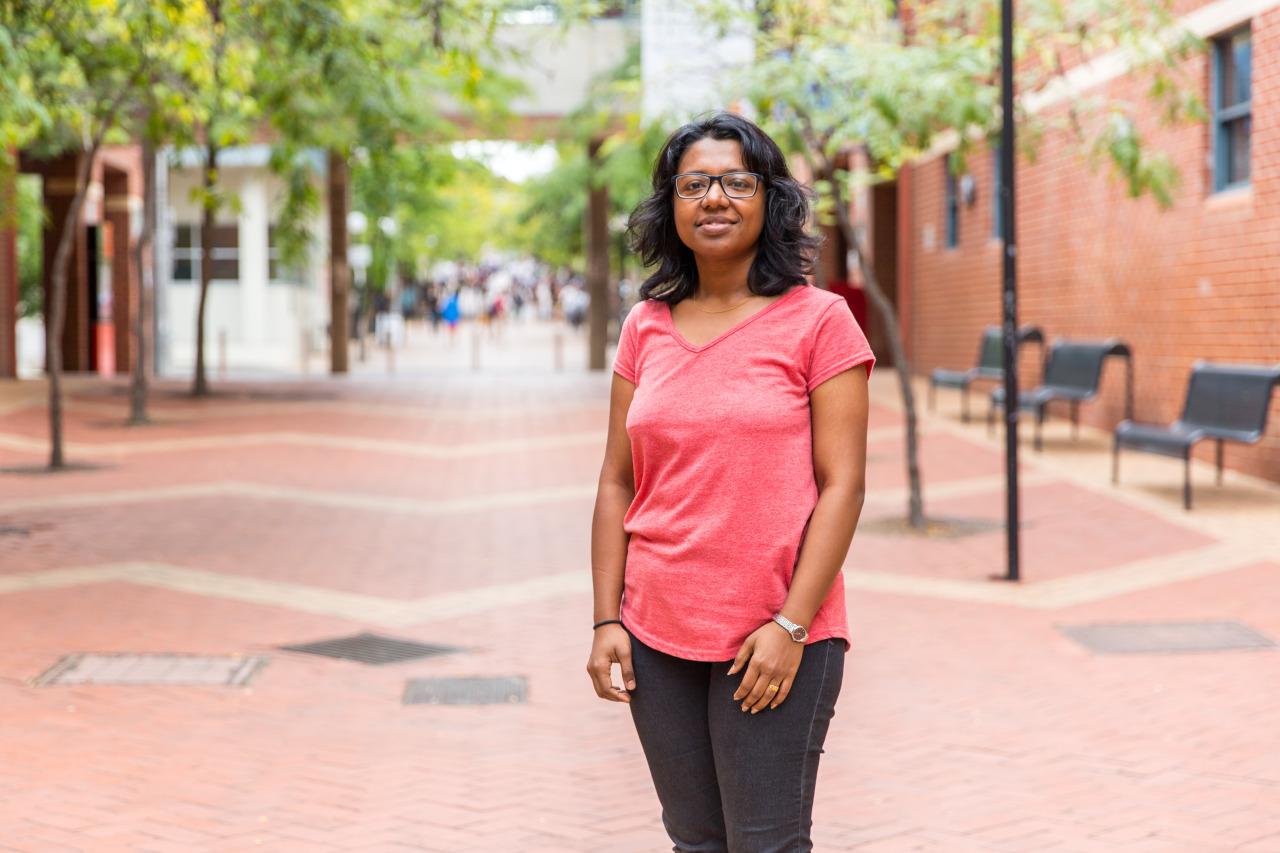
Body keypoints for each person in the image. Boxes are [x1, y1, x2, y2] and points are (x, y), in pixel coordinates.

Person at [586, 112, 874, 853]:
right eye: (694, 185)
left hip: (774, 633)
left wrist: (791, 626)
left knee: (766, 844)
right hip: (655, 633)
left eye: (736, 181)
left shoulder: (819, 321)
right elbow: (617, 481)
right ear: (670, 206)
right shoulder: (645, 326)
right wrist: (606, 620)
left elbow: (843, 485)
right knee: (696, 842)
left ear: (770, 199)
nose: (714, 198)